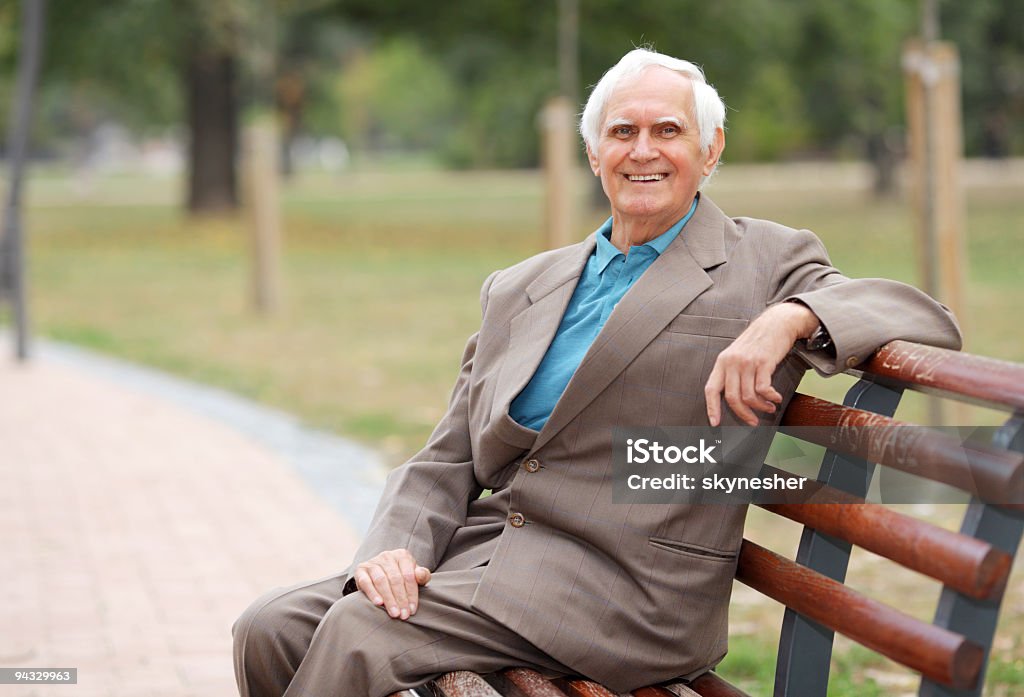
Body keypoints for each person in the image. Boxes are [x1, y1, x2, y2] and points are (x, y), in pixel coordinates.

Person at [232, 48, 961, 696]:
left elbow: (925, 316)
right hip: (489, 555)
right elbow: (447, 454)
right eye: (623, 132)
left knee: (361, 636)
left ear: (711, 151)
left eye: (668, 131)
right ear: (594, 153)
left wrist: (786, 318)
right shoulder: (521, 286)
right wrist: (396, 545)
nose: (644, 150)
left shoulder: (764, 259)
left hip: (629, 589)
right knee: (267, 627)